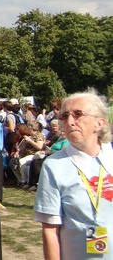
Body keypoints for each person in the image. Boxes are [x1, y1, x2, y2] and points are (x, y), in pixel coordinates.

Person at [34, 90, 113, 260]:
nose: (70, 122)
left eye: (78, 114)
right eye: (65, 116)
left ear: (99, 123)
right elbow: (49, 229)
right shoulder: (54, 166)